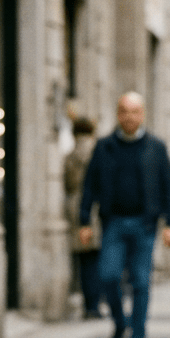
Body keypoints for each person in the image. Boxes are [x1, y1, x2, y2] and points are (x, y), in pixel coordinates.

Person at [78, 93, 170, 338]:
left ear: (142, 114)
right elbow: (90, 185)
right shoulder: (104, 146)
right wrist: (84, 219)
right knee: (108, 276)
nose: (129, 117)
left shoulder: (156, 147)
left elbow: (169, 185)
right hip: (113, 223)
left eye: (134, 111)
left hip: (145, 225)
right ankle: (121, 324)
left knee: (141, 282)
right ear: (118, 114)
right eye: (124, 111)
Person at [64, 117, 102, 319]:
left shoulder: (70, 156)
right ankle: (95, 303)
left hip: (74, 209)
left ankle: (88, 303)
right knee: (96, 258)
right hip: (95, 208)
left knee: (84, 259)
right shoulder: (98, 153)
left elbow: (67, 184)